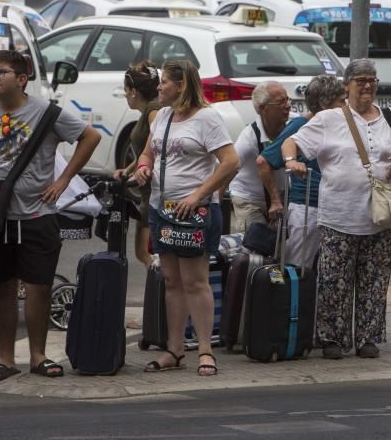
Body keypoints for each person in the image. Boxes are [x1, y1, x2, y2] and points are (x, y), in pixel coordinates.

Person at [0, 50, 101, 382]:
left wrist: (63, 181)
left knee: (39, 287)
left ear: (21, 78)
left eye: (0, 71)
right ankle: (5, 360)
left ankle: (38, 356)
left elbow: (91, 137)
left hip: (37, 214)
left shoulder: (46, 113)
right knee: (1, 288)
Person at [282, 59, 391, 359]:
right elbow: (292, 142)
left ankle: (368, 337)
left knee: (374, 280)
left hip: (381, 216)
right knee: (334, 280)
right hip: (339, 216)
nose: (367, 85)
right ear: (347, 86)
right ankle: (332, 338)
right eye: (360, 80)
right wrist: (292, 161)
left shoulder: (390, 117)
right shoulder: (330, 119)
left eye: (372, 79)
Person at [132, 59, 239, 375]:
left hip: (197, 212)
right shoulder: (163, 116)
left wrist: (197, 195)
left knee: (195, 280)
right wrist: (142, 168)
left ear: (181, 85)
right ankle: (174, 349)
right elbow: (148, 152)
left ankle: (205, 350)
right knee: (171, 280)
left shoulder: (207, 119)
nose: (159, 87)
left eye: (164, 81)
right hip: (162, 209)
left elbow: (230, 162)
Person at [256, 75, 346, 267]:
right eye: (341, 101)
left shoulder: (341, 124)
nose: (346, 105)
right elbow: (263, 161)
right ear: (324, 104)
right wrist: (275, 201)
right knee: (298, 269)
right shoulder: (301, 125)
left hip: (333, 208)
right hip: (307, 208)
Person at [112, 60, 161, 269]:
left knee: (147, 252)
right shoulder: (149, 111)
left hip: (155, 190)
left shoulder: (154, 112)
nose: (124, 95)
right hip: (147, 188)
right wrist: (129, 169)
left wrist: (144, 171)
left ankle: (162, 293)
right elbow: (146, 149)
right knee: (144, 252)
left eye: (125, 90)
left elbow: (159, 144)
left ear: (133, 91)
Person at [228, 81, 291, 232]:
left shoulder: (294, 124)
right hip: (249, 199)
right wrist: (214, 204)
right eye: (281, 102)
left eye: (288, 99)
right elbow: (229, 167)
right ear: (263, 109)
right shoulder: (249, 137)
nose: (288, 105)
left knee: (280, 248)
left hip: (282, 196)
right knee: (254, 246)